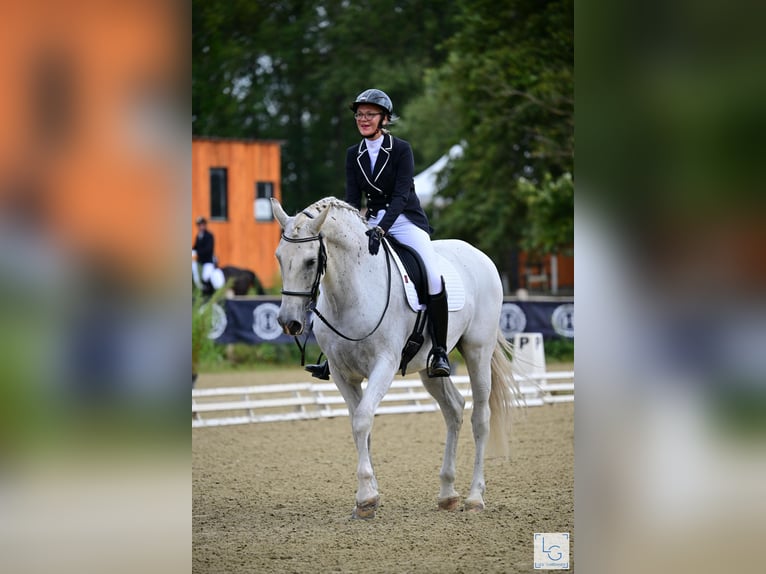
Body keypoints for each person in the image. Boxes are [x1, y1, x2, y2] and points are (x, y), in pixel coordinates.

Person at [346, 88, 450, 378]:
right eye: (360, 114)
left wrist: (382, 227)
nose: (363, 119)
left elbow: (402, 196)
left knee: (431, 274)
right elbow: (353, 200)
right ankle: (337, 352)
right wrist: (356, 227)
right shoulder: (353, 154)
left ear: (385, 119)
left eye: (370, 114)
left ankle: (439, 350)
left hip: (405, 220)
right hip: (370, 221)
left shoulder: (401, 149)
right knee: (346, 270)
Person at [192, 216, 223, 294]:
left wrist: (198, 253)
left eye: (202, 225)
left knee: (206, 276)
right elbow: (195, 247)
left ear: (205, 225)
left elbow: (208, 249)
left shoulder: (209, 236)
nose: (200, 227)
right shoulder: (198, 236)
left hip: (208, 261)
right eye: (199, 225)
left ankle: (210, 292)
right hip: (200, 262)